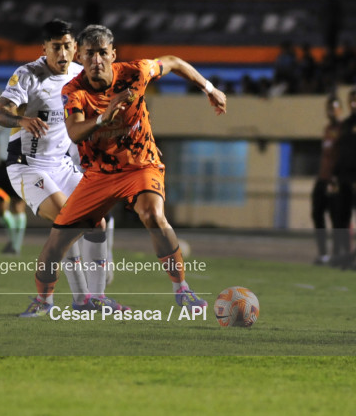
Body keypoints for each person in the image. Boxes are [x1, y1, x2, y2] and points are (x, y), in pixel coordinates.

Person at [24, 24, 227, 316]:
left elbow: (173, 62)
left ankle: (182, 289)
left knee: (153, 214)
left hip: (140, 165)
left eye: (102, 53)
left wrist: (209, 88)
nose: (96, 60)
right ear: (79, 57)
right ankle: (43, 302)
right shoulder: (74, 91)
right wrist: (103, 118)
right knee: (56, 244)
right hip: (99, 174)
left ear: (113, 54)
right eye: (90, 53)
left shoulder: (136, 73)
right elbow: (75, 132)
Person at [0, 19, 125, 316]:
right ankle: (50, 301)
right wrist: (21, 120)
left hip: (61, 165)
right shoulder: (28, 75)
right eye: (56, 48)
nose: (62, 53)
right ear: (45, 49)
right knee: (71, 221)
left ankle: (93, 300)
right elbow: (0, 113)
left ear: (76, 48)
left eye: (67, 46)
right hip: (28, 166)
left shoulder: (80, 74)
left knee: (97, 221)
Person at [0, 124, 27, 254]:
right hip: (3, 165)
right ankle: (13, 241)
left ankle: (16, 246)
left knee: (18, 206)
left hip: (20, 164)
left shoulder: (26, 114)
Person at [311, 95, 341, 265]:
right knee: (317, 213)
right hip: (322, 179)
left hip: (334, 181)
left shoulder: (344, 130)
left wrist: (335, 178)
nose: (332, 111)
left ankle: (337, 254)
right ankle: (323, 253)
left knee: (337, 218)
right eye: (329, 108)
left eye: (335, 107)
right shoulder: (327, 129)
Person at [331, 88, 356, 268]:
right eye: (352, 101)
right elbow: (340, 152)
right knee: (341, 218)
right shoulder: (346, 124)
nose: (354, 104)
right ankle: (345, 256)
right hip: (344, 177)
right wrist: (335, 175)